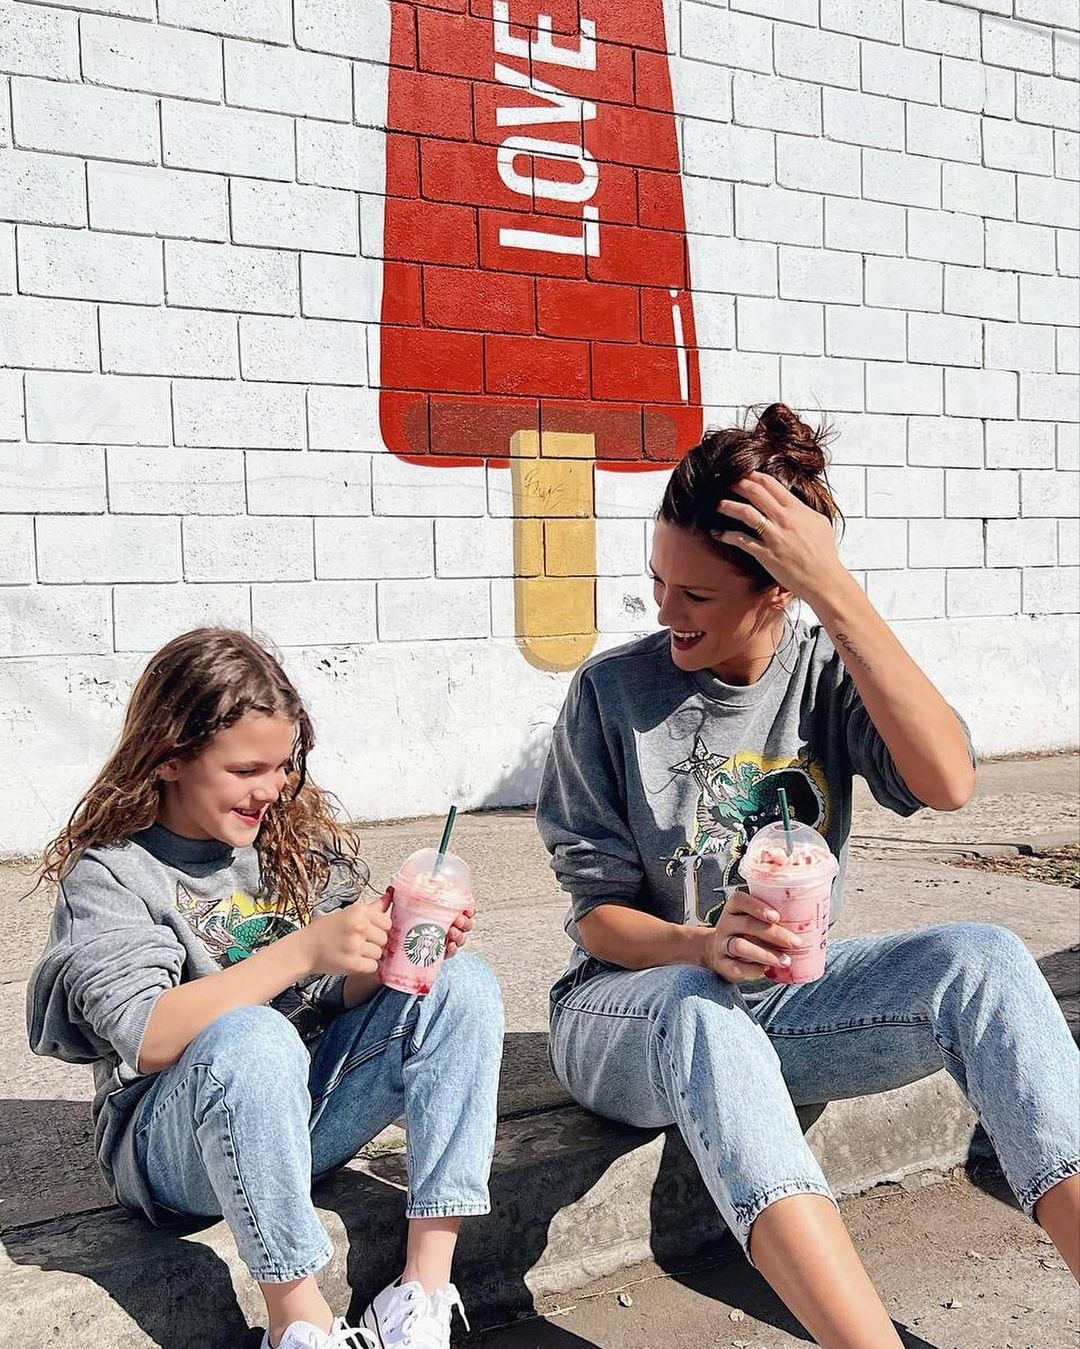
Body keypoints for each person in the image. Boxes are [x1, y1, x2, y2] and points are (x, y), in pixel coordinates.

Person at [537, 404, 1079, 1348]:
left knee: (984, 957)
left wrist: (840, 592)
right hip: (626, 1009)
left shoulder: (826, 668)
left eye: (696, 596)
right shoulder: (609, 694)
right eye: (658, 580)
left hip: (782, 1002)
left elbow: (946, 779)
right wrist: (701, 944)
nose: (665, 611)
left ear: (777, 592)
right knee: (701, 1006)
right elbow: (598, 920)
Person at [27, 629, 504, 1349]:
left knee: (457, 982)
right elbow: (151, 1034)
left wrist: (385, 961)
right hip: (168, 1149)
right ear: (169, 758)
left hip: (298, 1106)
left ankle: (422, 1296)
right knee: (253, 1036)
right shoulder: (114, 874)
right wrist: (302, 947)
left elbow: (325, 999)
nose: (274, 788)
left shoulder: (291, 838)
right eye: (248, 768)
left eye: (283, 766)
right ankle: (300, 1323)